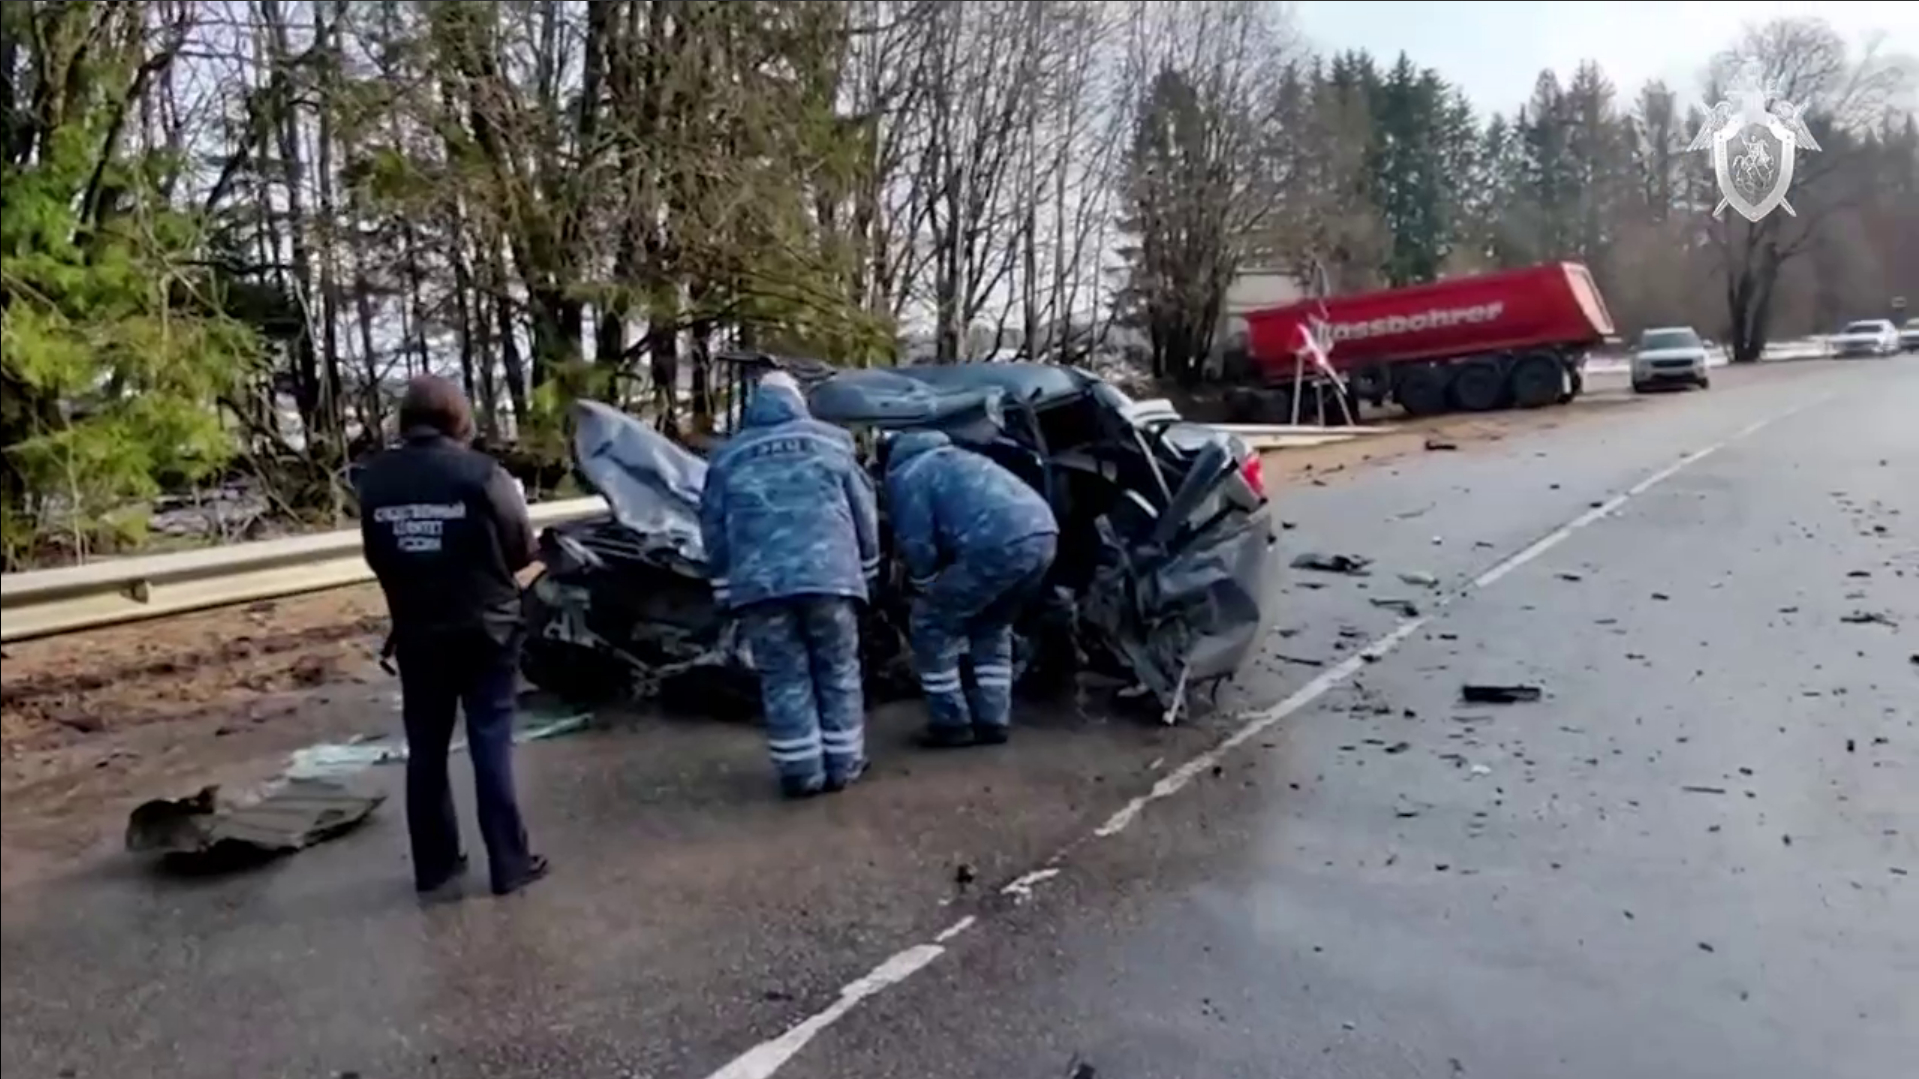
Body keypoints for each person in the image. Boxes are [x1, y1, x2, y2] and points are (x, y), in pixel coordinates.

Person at [355, 375, 547, 897]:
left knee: (427, 748)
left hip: (418, 632)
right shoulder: (482, 473)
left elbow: (377, 554)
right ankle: (509, 864)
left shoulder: (377, 479)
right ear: (459, 417)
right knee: (490, 741)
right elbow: (521, 551)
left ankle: (436, 866)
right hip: (488, 630)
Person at [700, 371, 881, 799]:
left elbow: (713, 527)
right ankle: (845, 764)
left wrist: (723, 586)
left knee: (783, 675)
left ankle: (802, 773)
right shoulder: (833, 441)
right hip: (830, 578)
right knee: (837, 669)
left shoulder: (728, 456)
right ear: (797, 401)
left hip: (760, 585)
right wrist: (869, 567)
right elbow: (863, 508)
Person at [882, 430, 1058, 748]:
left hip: (995, 543)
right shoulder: (962, 458)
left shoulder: (908, 474)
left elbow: (916, 541)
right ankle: (993, 719)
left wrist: (924, 583)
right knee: (992, 623)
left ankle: (950, 723)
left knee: (930, 623)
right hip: (1043, 532)